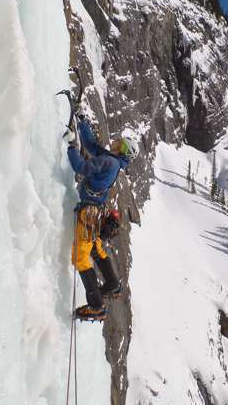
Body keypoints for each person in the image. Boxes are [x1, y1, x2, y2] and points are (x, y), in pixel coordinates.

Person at [64, 115, 138, 321]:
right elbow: (91, 145)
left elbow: (81, 167)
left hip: (89, 213)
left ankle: (97, 306)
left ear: (123, 150)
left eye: (120, 143)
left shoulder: (108, 161)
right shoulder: (113, 162)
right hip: (96, 212)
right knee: (96, 248)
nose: (115, 142)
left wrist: (71, 145)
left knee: (80, 257)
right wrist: (81, 123)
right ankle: (112, 283)